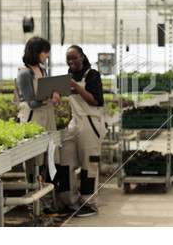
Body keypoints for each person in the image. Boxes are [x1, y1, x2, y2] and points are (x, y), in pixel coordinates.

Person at [58, 45, 107, 217]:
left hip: (90, 122)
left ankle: (89, 204)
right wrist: (68, 120)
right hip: (74, 123)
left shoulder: (92, 75)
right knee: (65, 164)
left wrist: (75, 85)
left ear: (82, 57)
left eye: (73, 57)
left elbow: (95, 101)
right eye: (68, 58)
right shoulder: (69, 75)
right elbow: (72, 101)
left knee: (88, 165)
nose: (70, 61)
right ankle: (70, 202)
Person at [14, 36, 59, 212]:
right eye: (45, 51)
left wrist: (52, 96)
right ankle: (34, 205)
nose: (47, 55)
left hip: (47, 117)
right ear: (36, 52)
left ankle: (46, 202)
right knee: (35, 162)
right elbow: (31, 102)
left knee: (49, 159)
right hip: (33, 119)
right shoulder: (24, 73)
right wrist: (48, 100)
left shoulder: (42, 70)